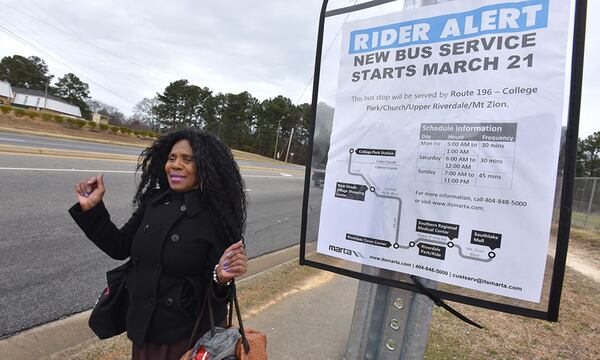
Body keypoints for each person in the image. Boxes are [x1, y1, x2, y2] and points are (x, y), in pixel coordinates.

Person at [69, 128, 248, 360]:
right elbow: (119, 246)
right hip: (145, 328)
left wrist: (220, 277)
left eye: (187, 159)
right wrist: (92, 209)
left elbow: (216, 290)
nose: (175, 165)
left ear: (205, 167)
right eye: (172, 158)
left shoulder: (217, 218)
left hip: (185, 335)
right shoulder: (153, 202)